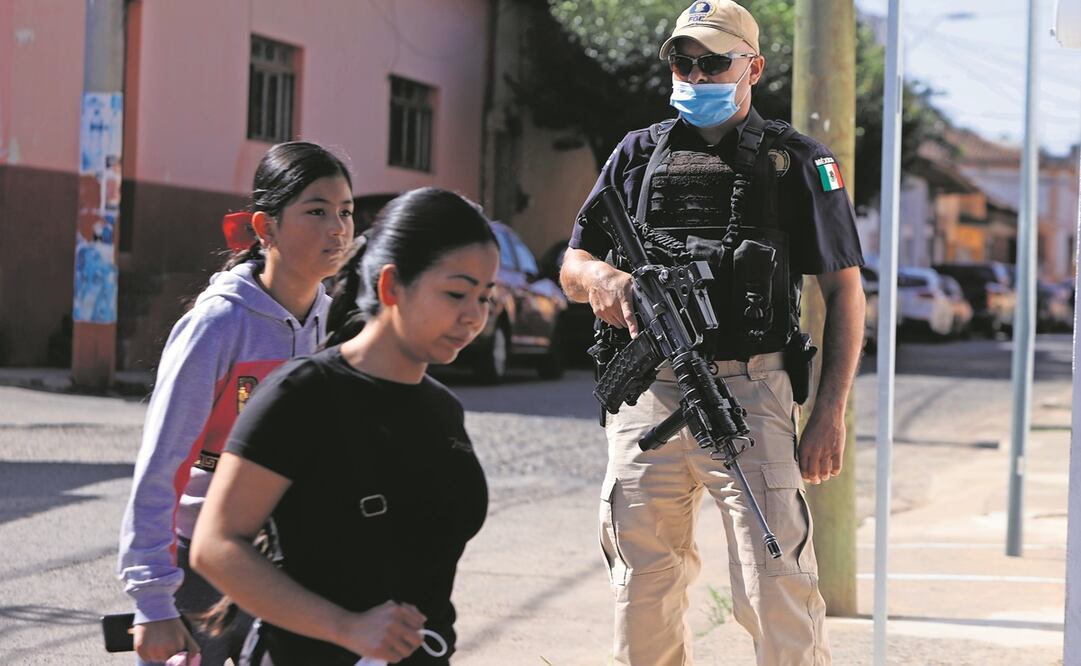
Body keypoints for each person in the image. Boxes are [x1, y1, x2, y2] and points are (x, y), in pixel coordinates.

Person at [560, 2, 866, 664]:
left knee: (775, 581)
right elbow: (571, 262)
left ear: (752, 67)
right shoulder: (635, 155)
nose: (694, 74)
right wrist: (600, 282)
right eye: (682, 60)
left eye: (712, 62)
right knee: (642, 586)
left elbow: (843, 293)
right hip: (647, 394)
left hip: (751, 393)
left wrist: (829, 414)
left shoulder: (797, 162)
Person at [188, 187, 498, 665]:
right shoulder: (302, 394)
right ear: (392, 286)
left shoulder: (442, 409)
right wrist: (346, 628)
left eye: (484, 296)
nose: (473, 315)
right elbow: (215, 546)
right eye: (456, 293)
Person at [117, 141, 356, 665]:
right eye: (316, 211)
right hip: (198, 564)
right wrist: (154, 600)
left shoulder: (335, 324)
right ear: (265, 227)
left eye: (345, 212)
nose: (337, 228)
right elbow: (165, 462)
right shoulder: (219, 325)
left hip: (287, 564)